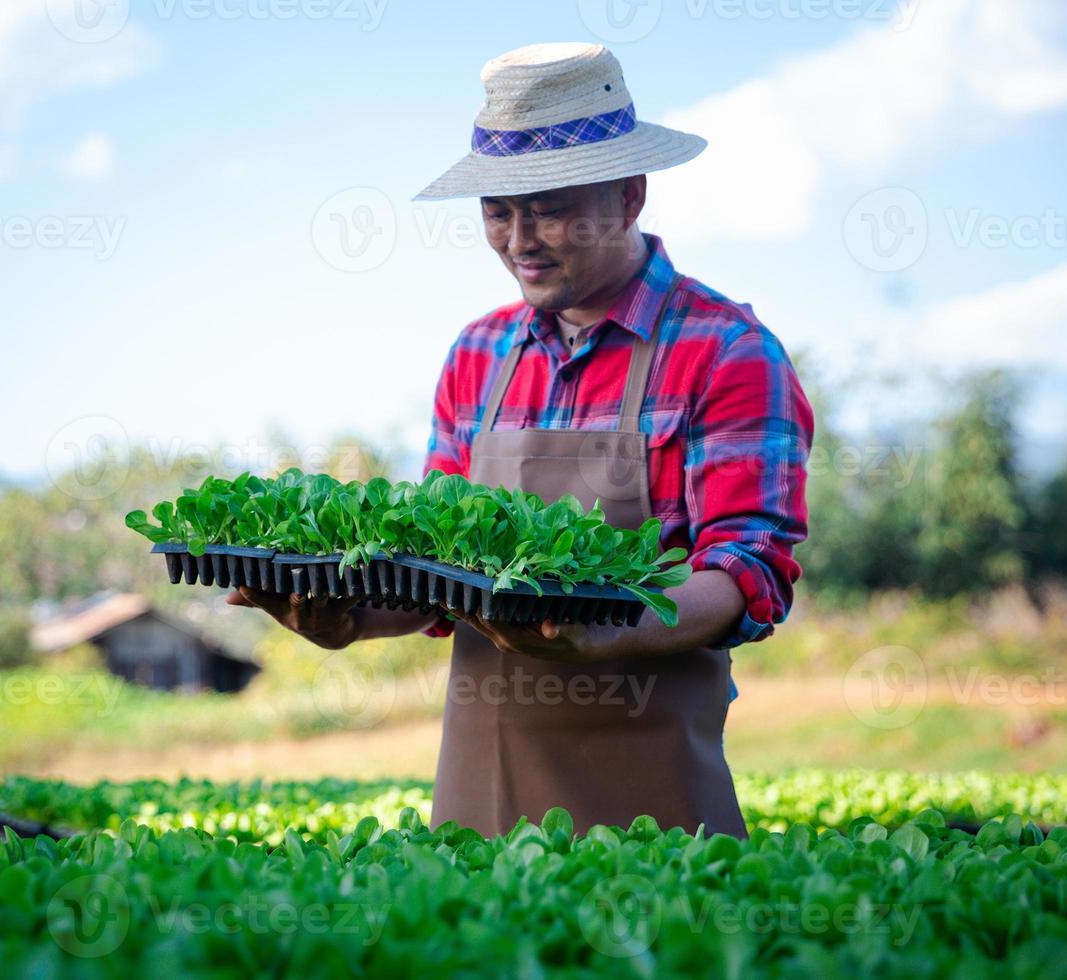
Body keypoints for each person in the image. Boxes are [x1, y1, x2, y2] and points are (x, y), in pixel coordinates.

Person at [230, 42, 813, 838]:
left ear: (630, 196)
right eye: (497, 211)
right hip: (481, 789)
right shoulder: (478, 354)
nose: (519, 239)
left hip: (655, 803)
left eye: (548, 206)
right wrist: (352, 620)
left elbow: (748, 573)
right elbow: (437, 572)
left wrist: (605, 628)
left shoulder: (727, 351)